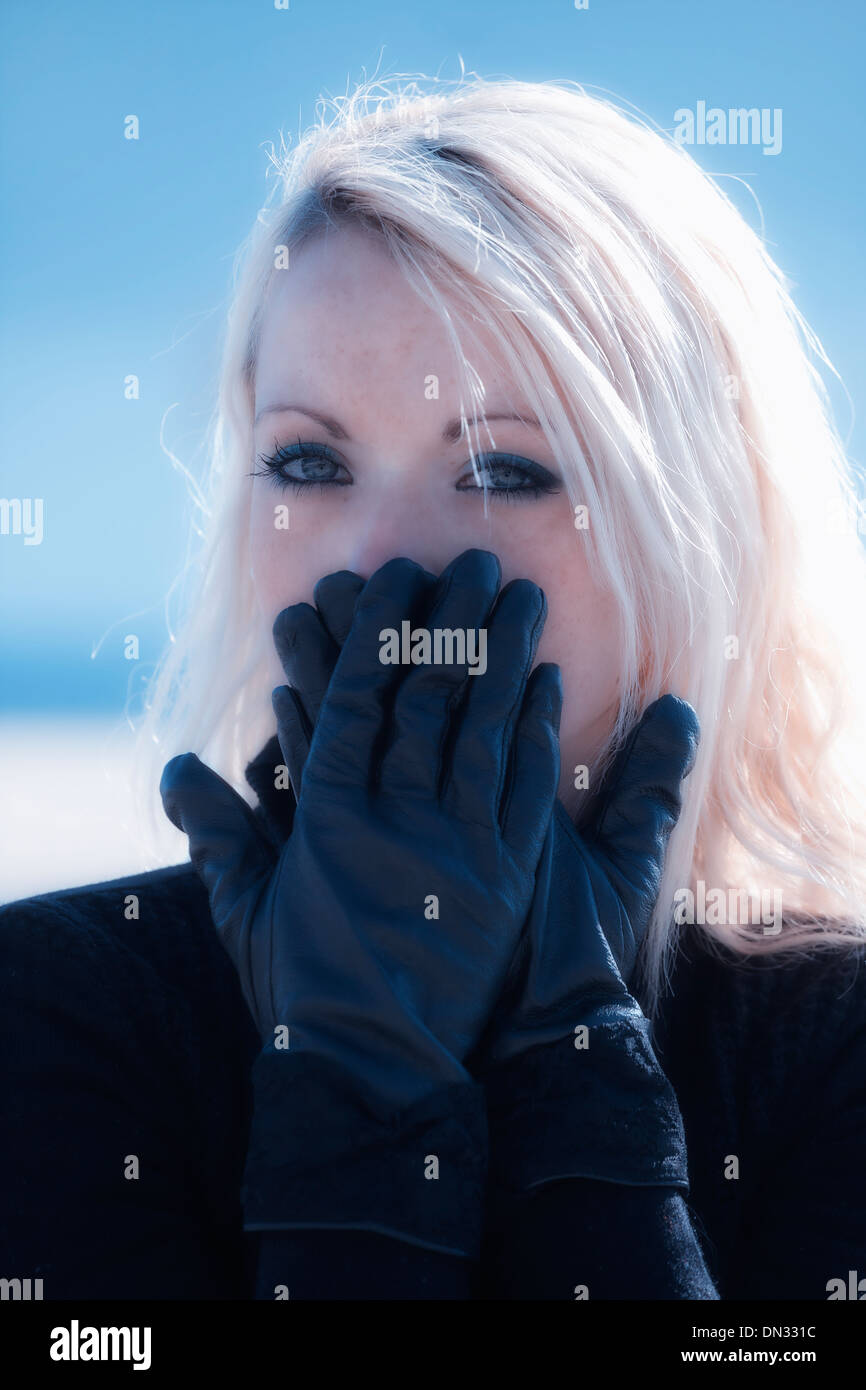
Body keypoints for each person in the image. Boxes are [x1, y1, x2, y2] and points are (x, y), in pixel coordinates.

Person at [2, 75, 866, 1301]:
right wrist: (357, 1082)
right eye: (309, 459)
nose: (383, 562)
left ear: (698, 537)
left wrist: (575, 1074)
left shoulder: (830, 1049)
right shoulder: (54, 1011)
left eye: (502, 468)